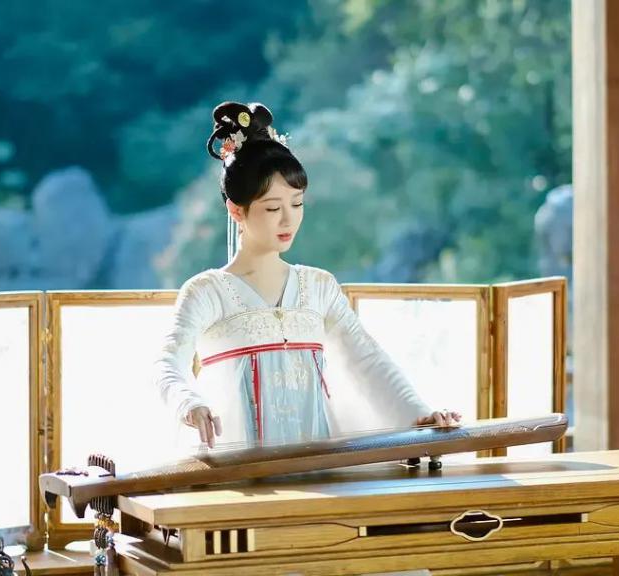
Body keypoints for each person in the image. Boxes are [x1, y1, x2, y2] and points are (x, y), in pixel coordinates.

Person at [154, 101, 460, 450]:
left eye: (297, 204)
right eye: (273, 208)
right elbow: (168, 363)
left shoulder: (319, 286)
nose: (289, 219)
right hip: (237, 464)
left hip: (315, 460)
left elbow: (366, 359)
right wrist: (189, 402)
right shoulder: (207, 291)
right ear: (236, 210)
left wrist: (419, 414)